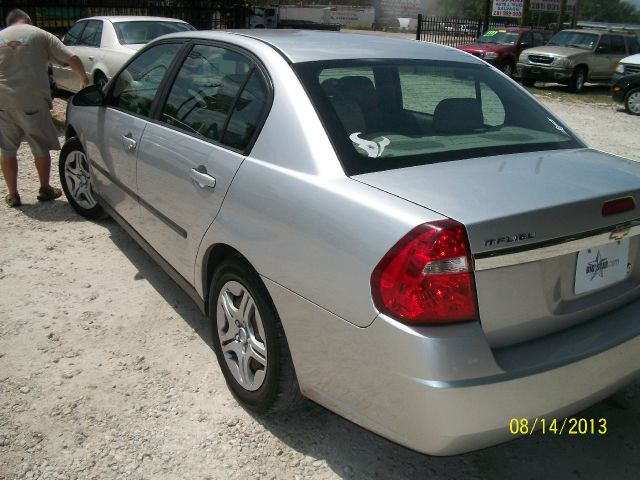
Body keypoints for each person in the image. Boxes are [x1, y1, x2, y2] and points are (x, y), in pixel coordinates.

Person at [0, 8, 90, 207]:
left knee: (7, 149)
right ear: (28, 20)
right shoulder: (41, 35)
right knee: (39, 146)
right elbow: (72, 58)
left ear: (10, 23)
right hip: (32, 100)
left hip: (3, 102)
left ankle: (13, 194)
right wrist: (83, 79)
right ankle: (45, 188)